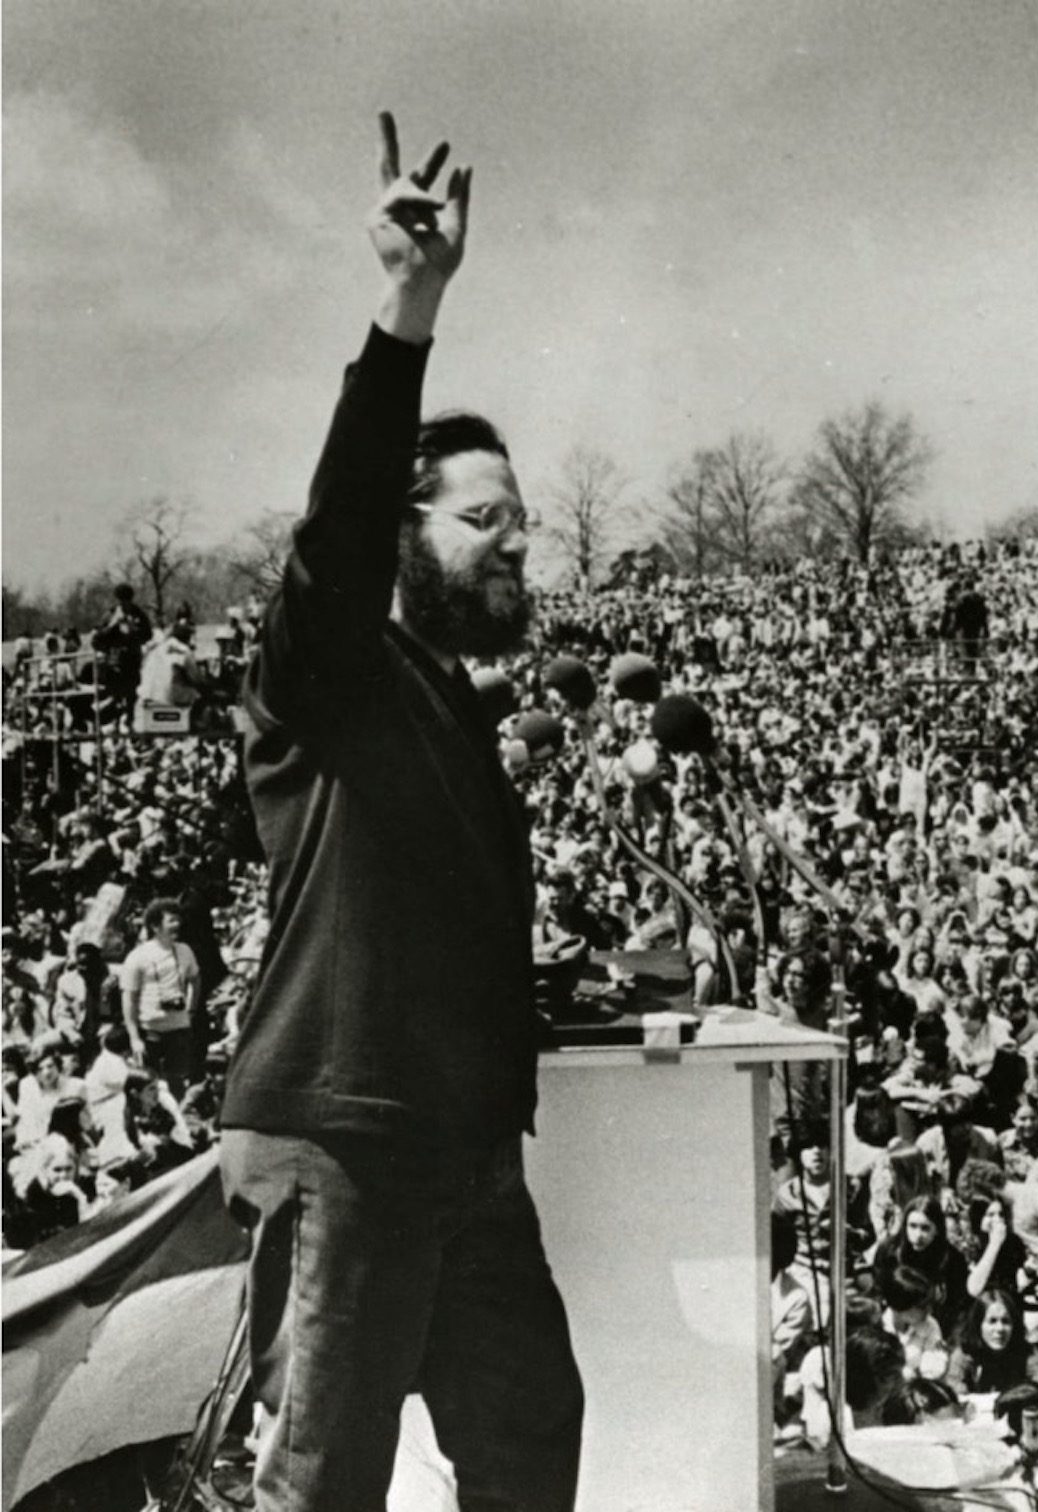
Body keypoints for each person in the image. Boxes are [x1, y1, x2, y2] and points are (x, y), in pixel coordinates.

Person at [216, 114, 582, 1511]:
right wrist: (409, 307)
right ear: (406, 536)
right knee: (324, 1484)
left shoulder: (446, 709)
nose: (518, 541)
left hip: (463, 1149)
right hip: (348, 1142)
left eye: (523, 522)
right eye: (485, 519)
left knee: (531, 1431)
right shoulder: (335, 678)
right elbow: (338, 520)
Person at [118, 899, 200, 1093]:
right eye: (171, 921)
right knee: (148, 1083)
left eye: (178, 920)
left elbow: (195, 979)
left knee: (178, 1081)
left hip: (179, 1030)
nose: (177, 925)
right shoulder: (138, 956)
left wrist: (191, 1008)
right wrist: (134, 1038)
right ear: (155, 926)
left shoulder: (185, 950)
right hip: (150, 1032)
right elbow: (129, 998)